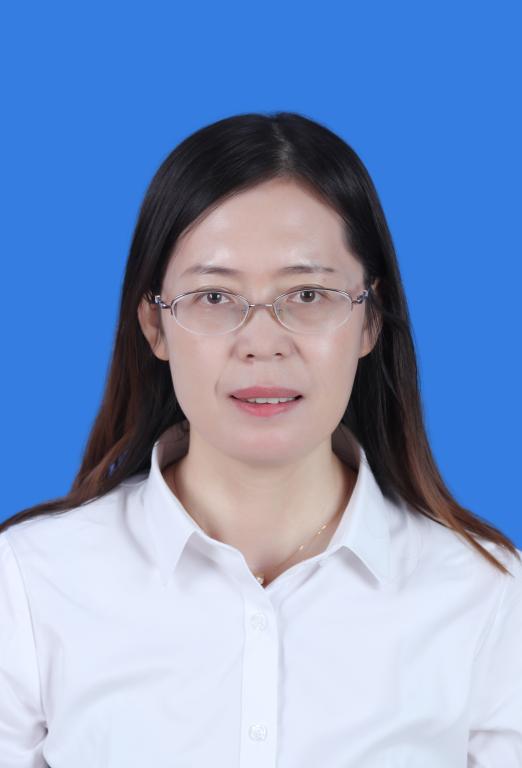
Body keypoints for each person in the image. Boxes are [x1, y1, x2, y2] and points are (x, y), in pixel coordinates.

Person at [0, 111, 520, 767]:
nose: (263, 343)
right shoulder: (28, 583)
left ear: (369, 322)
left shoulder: (487, 596)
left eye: (308, 293)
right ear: (155, 327)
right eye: (215, 298)